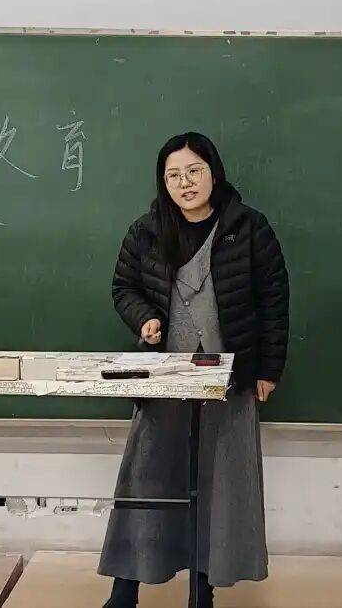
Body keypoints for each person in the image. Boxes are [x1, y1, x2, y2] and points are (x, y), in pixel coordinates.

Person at [98, 132, 290, 608]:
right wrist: (144, 318)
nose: (185, 183)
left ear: (213, 173)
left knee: (219, 485)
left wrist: (269, 369)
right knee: (146, 479)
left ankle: (202, 590)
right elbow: (124, 287)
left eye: (194, 171)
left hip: (230, 380)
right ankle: (125, 591)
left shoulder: (249, 228)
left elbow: (274, 300)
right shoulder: (146, 231)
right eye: (173, 176)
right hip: (163, 380)